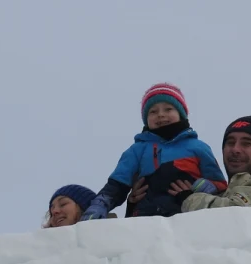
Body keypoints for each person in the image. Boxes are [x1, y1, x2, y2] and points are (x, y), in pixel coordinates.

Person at [81, 84, 227, 221]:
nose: (161, 115)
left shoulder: (198, 147)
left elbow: (219, 183)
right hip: (145, 217)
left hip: (187, 215)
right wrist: (100, 204)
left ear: (181, 114)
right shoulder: (137, 150)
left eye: (168, 109)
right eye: (153, 111)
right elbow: (118, 183)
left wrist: (206, 186)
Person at [129, 113, 251, 212]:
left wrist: (187, 198)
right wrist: (138, 202)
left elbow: (232, 216)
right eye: (230, 142)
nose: (235, 149)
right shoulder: (212, 195)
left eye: (246, 143)